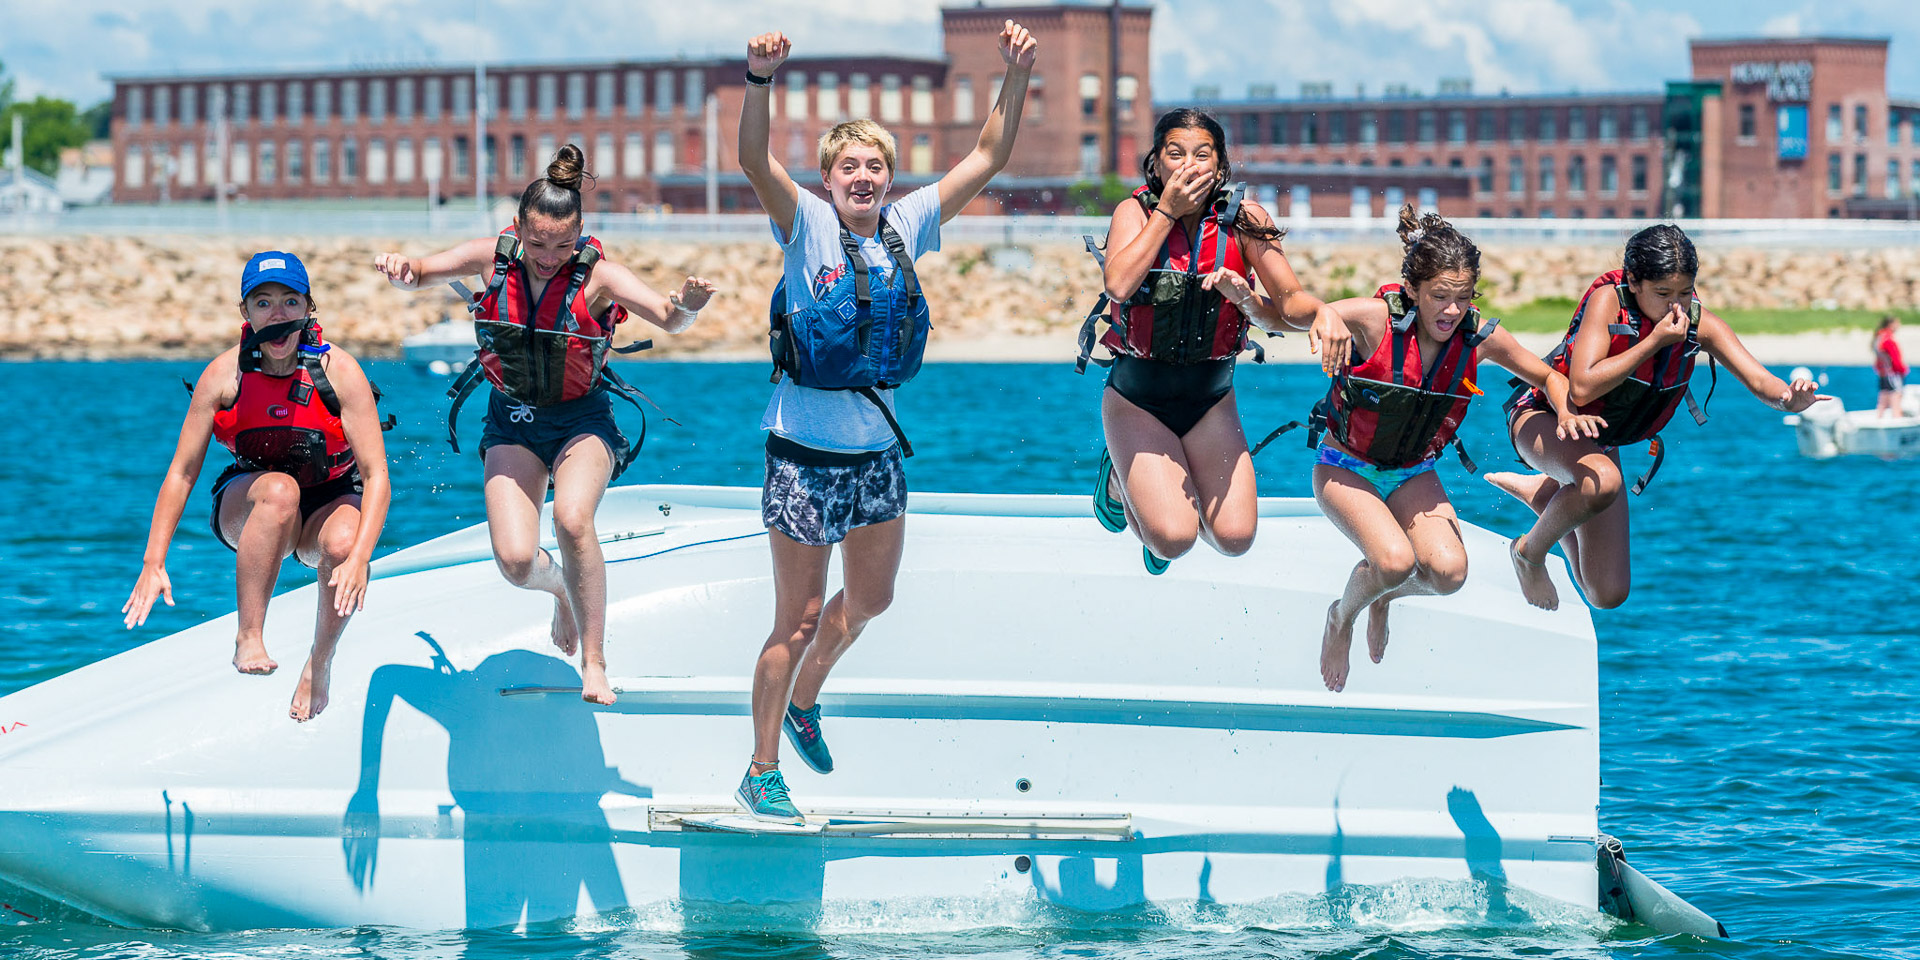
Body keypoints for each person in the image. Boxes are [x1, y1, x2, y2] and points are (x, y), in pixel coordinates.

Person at [733, 22, 1038, 823]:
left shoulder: (908, 226)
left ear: (889, 179)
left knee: (870, 600)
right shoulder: (803, 223)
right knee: (796, 619)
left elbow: (988, 157)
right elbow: (752, 161)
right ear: (828, 178)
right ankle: (761, 769)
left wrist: (1013, 75)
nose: (862, 176)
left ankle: (806, 702)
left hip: (876, 458)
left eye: (875, 166)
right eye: (848, 166)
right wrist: (759, 81)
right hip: (802, 453)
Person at [371, 146, 715, 706]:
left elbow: (670, 319)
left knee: (572, 520)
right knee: (514, 561)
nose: (548, 256)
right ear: (518, 230)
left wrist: (688, 306)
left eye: (562, 245)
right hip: (512, 419)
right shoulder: (492, 258)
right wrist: (402, 270)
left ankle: (595, 661)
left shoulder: (600, 276)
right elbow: (421, 274)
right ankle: (560, 589)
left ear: (579, 234)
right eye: (536, 244)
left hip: (582, 418)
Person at [1311, 208, 1604, 693]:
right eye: (1439, 297)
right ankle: (1342, 617)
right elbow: (1304, 311)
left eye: (1463, 298)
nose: (1451, 311)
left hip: (1411, 471)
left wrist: (1566, 411)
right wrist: (1322, 317)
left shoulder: (1480, 339)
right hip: (1346, 467)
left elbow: (1549, 375)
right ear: (1413, 290)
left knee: (1448, 574)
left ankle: (1384, 598)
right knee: (1393, 562)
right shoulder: (1374, 320)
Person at [1488, 224, 1828, 610]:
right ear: (1633, 281)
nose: (1676, 306)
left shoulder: (1698, 323)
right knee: (1603, 483)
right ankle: (1527, 555)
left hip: (1597, 439)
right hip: (1544, 417)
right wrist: (1653, 343)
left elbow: (1762, 382)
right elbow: (1581, 388)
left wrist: (1790, 399)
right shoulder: (1607, 303)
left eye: (1685, 292)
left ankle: (1545, 496)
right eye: (1663, 294)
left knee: (1607, 594)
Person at [122, 252, 392, 722]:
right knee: (280, 491)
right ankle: (249, 634)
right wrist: (153, 561)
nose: (278, 315)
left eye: (291, 301)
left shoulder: (339, 372)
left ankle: (320, 661)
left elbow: (376, 477)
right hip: (253, 500)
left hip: (331, 495)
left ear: (310, 308)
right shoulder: (224, 376)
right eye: (263, 303)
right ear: (245, 313)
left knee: (346, 543)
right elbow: (182, 474)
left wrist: (362, 559)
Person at [1081, 108, 1349, 575]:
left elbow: (1290, 303)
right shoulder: (1136, 211)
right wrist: (1167, 211)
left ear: (1220, 166)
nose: (1189, 165)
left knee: (1235, 539)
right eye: (1176, 153)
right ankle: (1121, 487)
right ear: (1157, 164)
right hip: (1137, 399)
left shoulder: (1244, 220)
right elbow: (1119, 285)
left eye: (1202, 155)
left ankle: (1157, 497)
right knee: (1173, 539)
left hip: (1210, 400)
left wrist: (1324, 311)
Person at [1873, 315, 1906, 419]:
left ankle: (1879, 418)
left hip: (1883, 372)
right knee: (1896, 395)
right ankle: (1897, 420)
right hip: (1891, 373)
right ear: (1891, 324)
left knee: (1883, 396)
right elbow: (1895, 358)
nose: (1898, 326)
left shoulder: (1879, 336)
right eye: (1897, 323)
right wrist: (1902, 370)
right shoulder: (1888, 339)